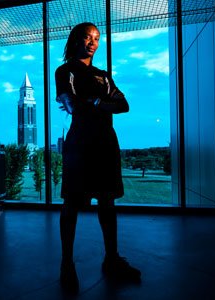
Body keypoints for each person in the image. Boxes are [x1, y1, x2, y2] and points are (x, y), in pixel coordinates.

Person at [55, 22, 141, 294]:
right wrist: (101, 104)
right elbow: (71, 103)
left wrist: (94, 103)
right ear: (75, 40)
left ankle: (112, 258)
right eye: (87, 37)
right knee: (71, 203)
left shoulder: (103, 75)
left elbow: (124, 105)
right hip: (80, 143)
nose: (92, 42)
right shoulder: (65, 70)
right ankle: (66, 263)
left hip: (105, 143)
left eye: (96, 38)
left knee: (107, 202)